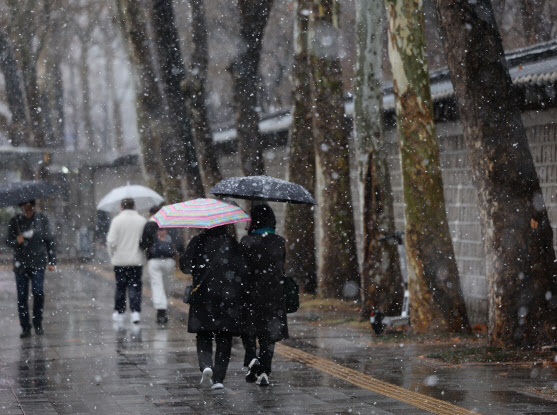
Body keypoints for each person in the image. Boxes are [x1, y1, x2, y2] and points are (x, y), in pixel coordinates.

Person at [179, 225, 247, 390]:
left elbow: (185, 267)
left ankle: (206, 365)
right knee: (224, 337)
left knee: (203, 334)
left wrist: (187, 257)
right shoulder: (232, 243)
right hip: (227, 297)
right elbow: (242, 269)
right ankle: (219, 379)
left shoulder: (197, 242)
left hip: (203, 295)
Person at [241, 203, 288, 387]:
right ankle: (265, 371)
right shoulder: (279, 241)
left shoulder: (246, 242)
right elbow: (281, 266)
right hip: (274, 294)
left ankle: (252, 358)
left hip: (250, 293)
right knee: (269, 334)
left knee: (249, 330)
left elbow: (241, 268)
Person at [6, 200, 56, 338]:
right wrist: (17, 241)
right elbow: (7, 241)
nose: (27, 212)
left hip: (38, 263)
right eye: (24, 209)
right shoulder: (15, 221)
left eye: (29, 209)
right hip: (20, 264)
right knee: (22, 296)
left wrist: (52, 260)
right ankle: (25, 327)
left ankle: (38, 322)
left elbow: (50, 241)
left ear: (33, 207)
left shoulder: (42, 220)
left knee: (38, 292)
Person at [106, 198, 147, 324]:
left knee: (120, 286)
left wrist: (113, 254)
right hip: (137, 259)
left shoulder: (116, 221)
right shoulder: (142, 221)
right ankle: (135, 312)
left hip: (120, 260)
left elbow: (111, 241)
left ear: (121, 207)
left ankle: (120, 312)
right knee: (135, 286)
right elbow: (146, 240)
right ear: (134, 206)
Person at [139, 205, 182, 325]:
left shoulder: (149, 225)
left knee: (157, 285)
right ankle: (165, 304)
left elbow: (143, 244)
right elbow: (178, 243)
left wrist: (148, 249)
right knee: (166, 285)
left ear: (150, 214)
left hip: (154, 260)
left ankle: (161, 311)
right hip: (169, 260)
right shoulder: (170, 224)